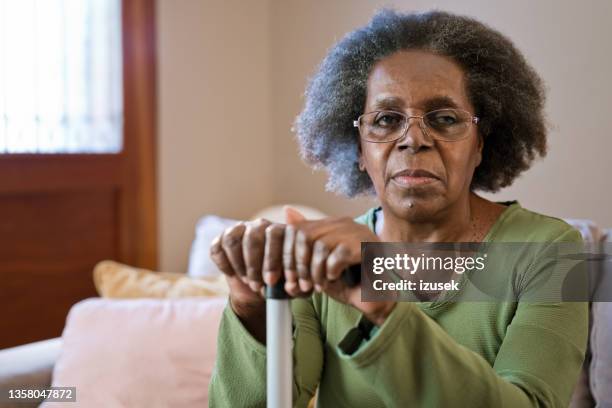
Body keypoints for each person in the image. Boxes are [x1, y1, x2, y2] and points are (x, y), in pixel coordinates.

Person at [208, 9, 587, 407]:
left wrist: (388, 313)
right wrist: (251, 306)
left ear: (481, 143)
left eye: (444, 118)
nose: (413, 140)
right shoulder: (326, 261)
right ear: (357, 148)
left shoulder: (552, 251)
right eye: (387, 119)